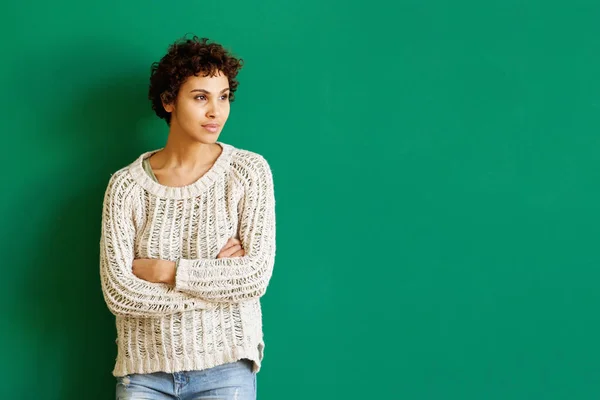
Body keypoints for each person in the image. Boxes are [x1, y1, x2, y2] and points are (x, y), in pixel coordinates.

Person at [99, 36, 276, 400]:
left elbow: (255, 276)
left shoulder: (248, 172)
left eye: (224, 96)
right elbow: (120, 293)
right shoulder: (125, 186)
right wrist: (218, 285)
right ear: (168, 101)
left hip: (225, 370)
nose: (216, 111)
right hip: (143, 375)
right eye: (200, 97)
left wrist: (167, 272)